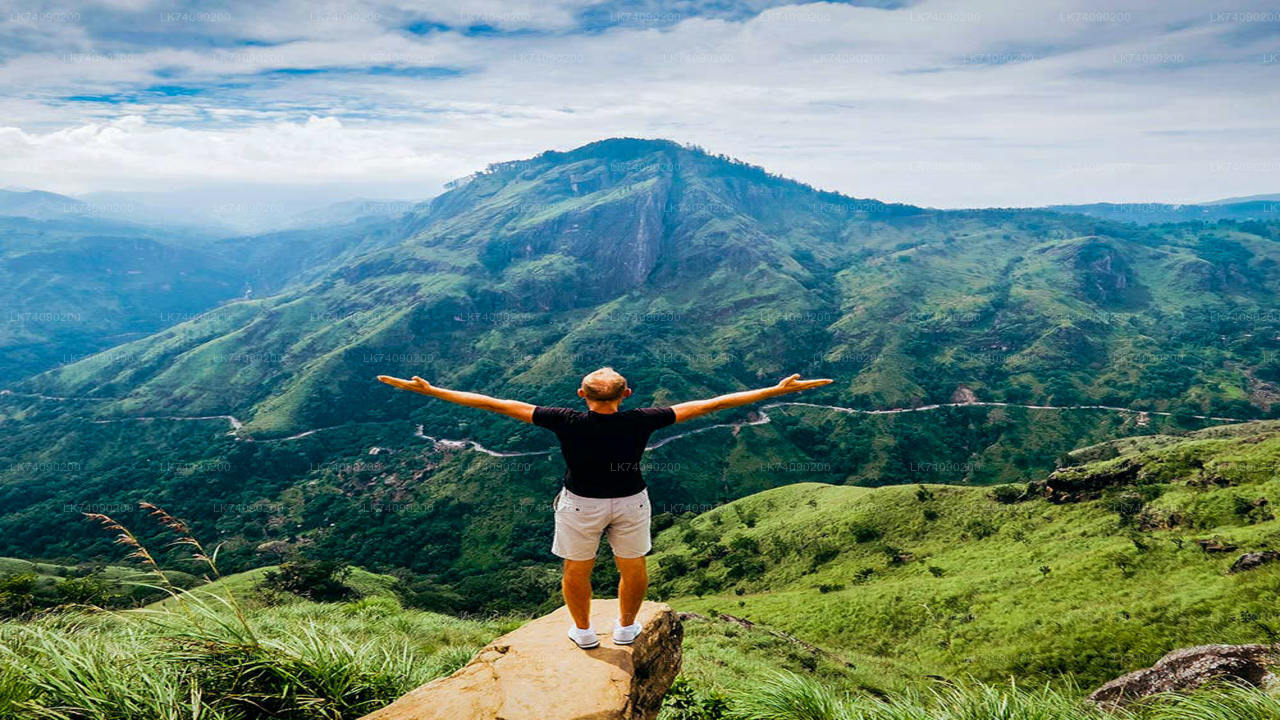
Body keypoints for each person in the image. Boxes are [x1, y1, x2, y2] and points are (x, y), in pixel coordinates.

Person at [377, 368, 832, 649]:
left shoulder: (565, 420)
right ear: (626, 393)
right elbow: (713, 403)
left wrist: (433, 391)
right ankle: (627, 628)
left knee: (577, 568)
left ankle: (583, 631)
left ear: (581, 394)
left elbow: (494, 403)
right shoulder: (643, 419)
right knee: (631, 566)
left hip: (579, 505)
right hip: (631, 501)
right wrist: (774, 389)